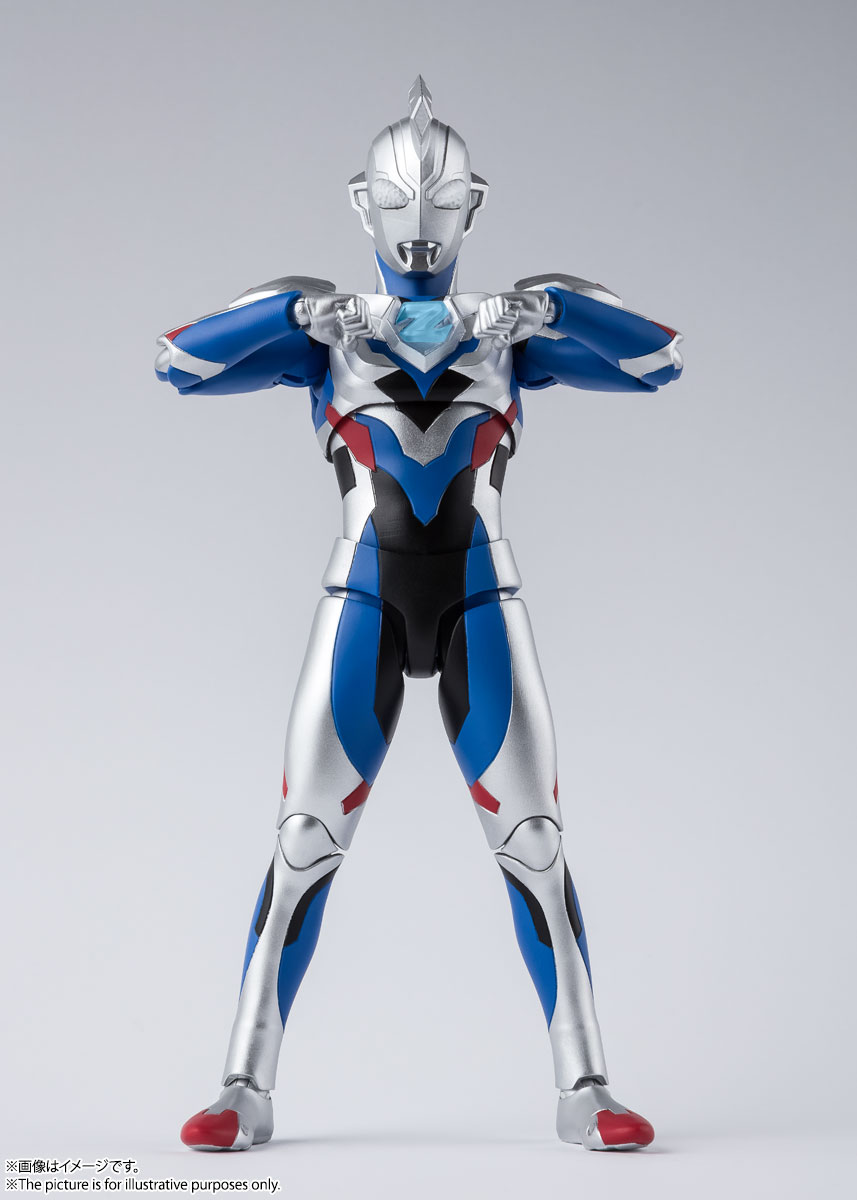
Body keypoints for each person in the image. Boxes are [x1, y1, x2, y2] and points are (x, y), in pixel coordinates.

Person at [156, 77, 683, 1152]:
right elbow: (178, 363)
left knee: (533, 845)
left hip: (480, 597)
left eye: (439, 204)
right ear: (361, 205)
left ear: (471, 205)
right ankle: (242, 1082)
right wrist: (292, 316)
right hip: (364, 599)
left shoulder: (509, 334)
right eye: (397, 204)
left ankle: (585, 1084)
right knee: (304, 843)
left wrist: (552, 310)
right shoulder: (326, 332)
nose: (418, 227)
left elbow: (657, 361)